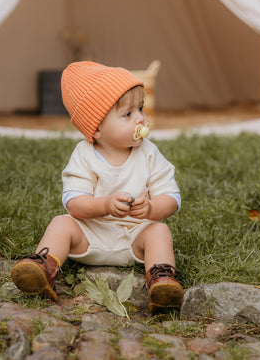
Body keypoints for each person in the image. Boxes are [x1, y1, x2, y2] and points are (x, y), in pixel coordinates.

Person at [11, 61, 183, 313]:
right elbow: (74, 202)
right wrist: (104, 204)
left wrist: (151, 208)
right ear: (97, 129)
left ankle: (160, 279)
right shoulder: (84, 154)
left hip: (135, 237)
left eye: (141, 108)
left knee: (159, 231)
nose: (141, 118)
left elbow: (171, 197)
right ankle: (44, 267)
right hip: (89, 237)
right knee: (62, 222)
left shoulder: (149, 153)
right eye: (128, 114)